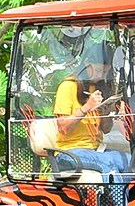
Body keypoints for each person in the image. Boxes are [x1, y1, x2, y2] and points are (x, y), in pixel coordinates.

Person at [51, 43, 128, 175]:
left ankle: (129, 196)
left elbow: (106, 129)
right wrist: (87, 107)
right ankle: (113, 196)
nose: (101, 76)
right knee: (108, 165)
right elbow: (63, 127)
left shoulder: (96, 88)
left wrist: (105, 113)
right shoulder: (68, 86)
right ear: (87, 64)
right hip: (69, 151)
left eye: (105, 72)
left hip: (96, 149)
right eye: (99, 71)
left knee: (128, 161)